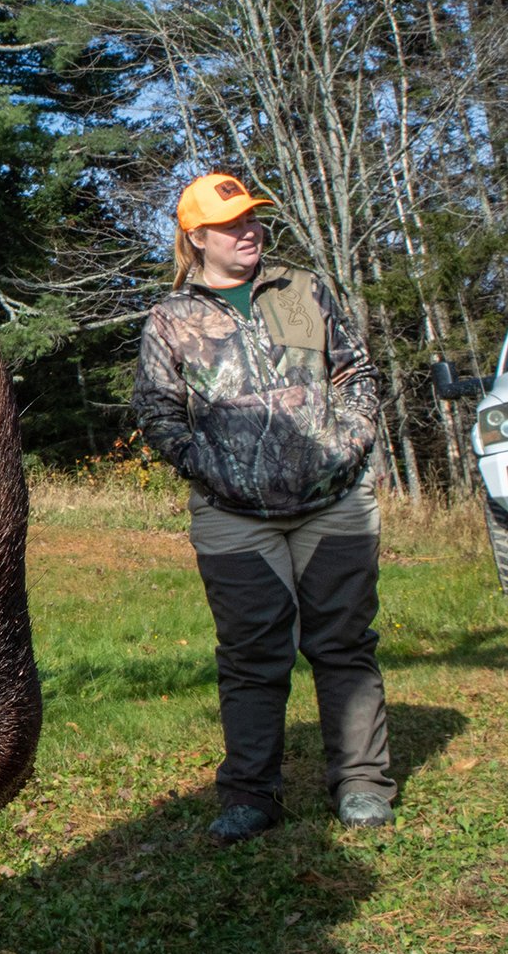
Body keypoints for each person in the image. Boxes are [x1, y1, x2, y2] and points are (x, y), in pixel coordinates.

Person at [132, 174, 395, 844]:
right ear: (196, 238)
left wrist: (352, 440)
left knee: (342, 645)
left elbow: (354, 373)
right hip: (233, 518)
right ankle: (251, 795)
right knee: (251, 655)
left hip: (331, 504)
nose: (248, 231)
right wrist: (209, 467)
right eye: (232, 223)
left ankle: (363, 784)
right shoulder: (171, 320)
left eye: (252, 219)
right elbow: (158, 413)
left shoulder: (300, 289)